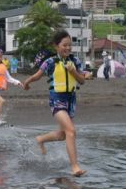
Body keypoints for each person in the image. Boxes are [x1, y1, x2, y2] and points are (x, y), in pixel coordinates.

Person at [23, 30, 86, 177]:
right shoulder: (50, 62)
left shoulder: (75, 61)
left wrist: (73, 71)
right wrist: (26, 82)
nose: (68, 48)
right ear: (56, 46)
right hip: (56, 99)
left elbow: (81, 80)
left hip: (71, 100)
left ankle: (41, 139)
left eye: (70, 45)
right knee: (71, 131)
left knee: (63, 135)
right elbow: (37, 75)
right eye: (65, 45)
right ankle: (75, 167)